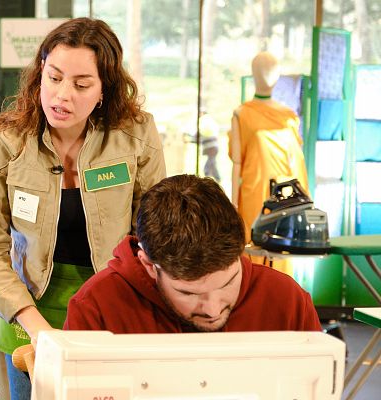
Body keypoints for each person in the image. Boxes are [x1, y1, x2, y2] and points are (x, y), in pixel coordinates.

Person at [0, 17, 166, 399]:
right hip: (29, 309)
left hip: (114, 303)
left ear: (103, 90)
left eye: (81, 85)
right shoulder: (8, 143)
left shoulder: (135, 135)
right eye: (54, 77)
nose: (63, 96)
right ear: (39, 73)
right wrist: (37, 328)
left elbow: (155, 233)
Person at [64, 174, 321, 333]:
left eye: (229, 282)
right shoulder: (97, 307)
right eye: (189, 293)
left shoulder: (287, 301)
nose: (212, 309)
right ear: (148, 265)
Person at [228, 52, 309, 275]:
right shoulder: (242, 114)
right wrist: (233, 206)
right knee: (254, 249)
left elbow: (297, 161)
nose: (266, 75)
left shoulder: (288, 116)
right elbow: (237, 163)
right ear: (253, 74)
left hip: (284, 196)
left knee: (281, 251)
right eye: (262, 70)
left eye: (271, 71)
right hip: (254, 192)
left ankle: (281, 303)